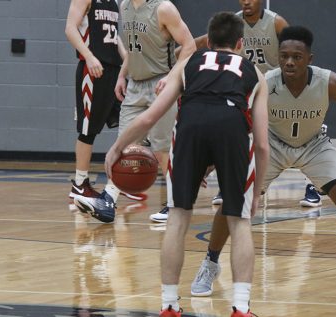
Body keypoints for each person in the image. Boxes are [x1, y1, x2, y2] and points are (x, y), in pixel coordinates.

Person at [191, 25, 336, 303]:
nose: (289, 61)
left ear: (309, 58)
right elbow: (239, 119)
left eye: (297, 57)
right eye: (284, 55)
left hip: (314, 144)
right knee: (233, 198)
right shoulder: (265, 81)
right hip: (272, 145)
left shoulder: (329, 82)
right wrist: (215, 159)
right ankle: (210, 264)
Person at [104, 12, 269, 317]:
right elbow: (261, 144)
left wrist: (116, 147)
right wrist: (256, 193)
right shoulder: (255, 72)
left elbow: (150, 117)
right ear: (240, 43)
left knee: (178, 217)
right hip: (232, 128)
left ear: (208, 41)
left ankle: (168, 305)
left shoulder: (187, 64)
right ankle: (241, 308)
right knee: (239, 220)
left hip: (191, 126)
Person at [189, 0, 317, 297]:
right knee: (233, 150)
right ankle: (210, 261)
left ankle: (313, 184)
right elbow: (199, 41)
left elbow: (296, 52)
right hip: (244, 91)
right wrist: (184, 44)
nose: (246, 1)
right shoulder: (231, 24)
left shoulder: (276, 23)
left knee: (305, 132)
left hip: (274, 92)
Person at [74, 0, 196, 223]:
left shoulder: (164, 8)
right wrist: (122, 75)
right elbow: (132, 47)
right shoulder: (125, 6)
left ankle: (174, 204)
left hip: (162, 83)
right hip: (135, 85)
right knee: (123, 145)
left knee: (162, 149)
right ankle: (108, 201)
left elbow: (189, 46)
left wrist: (172, 77)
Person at [65, 0, 128, 203]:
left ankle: (123, 180)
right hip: (93, 69)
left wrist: (127, 57)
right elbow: (70, 29)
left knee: (129, 125)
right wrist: (89, 56)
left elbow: (112, 34)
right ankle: (80, 184)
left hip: (114, 70)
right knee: (88, 130)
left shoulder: (113, 2)